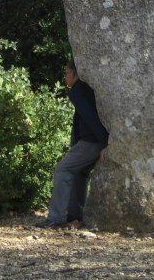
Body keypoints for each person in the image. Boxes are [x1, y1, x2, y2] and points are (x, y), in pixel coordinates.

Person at [35, 60, 109, 228]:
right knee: (79, 173)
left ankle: (56, 217)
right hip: (95, 140)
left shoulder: (77, 91)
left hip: (91, 141)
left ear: (74, 74)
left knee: (63, 169)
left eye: (66, 73)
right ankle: (74, 214)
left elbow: (90, 117)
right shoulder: (85, 89)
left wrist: (104, 142)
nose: (64, 77)